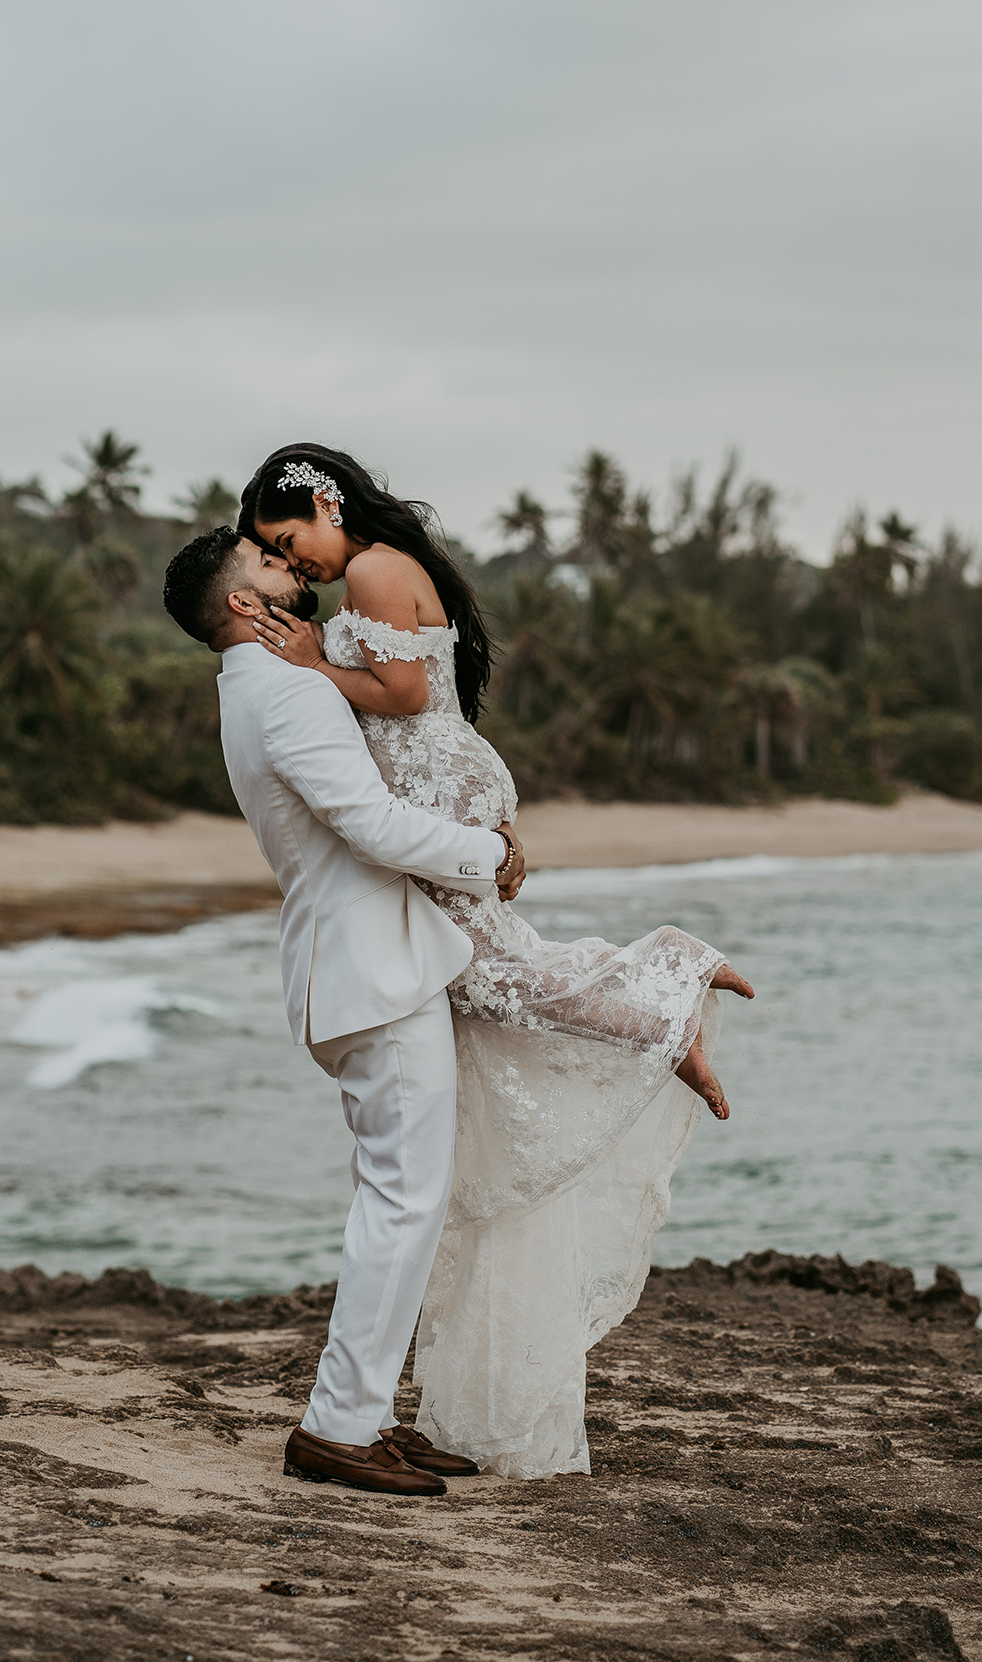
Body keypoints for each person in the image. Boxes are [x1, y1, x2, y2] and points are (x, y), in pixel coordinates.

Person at [240, 442, 756, 1480]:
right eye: (267, 555)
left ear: (325, 504)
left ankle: (668, 983)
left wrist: (309, 668)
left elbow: (397, 691)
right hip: (443, 789)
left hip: (436, 787)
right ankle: (662, 1021)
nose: (290, 566)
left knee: (486, 976)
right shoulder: (380, 565)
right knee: (482, 983)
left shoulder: (379, 565)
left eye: (286, 539)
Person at [162, 527, 527, 1497]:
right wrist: (488, 851)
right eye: (272, 564)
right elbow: (366, 825)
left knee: (402, 1199)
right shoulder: (286, 690)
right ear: (245, 604)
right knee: (401, 1202)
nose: (293, 571)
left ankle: (360, 1414)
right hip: (370, 969)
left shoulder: (257, 687)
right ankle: (337, 1428)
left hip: (359, 965)